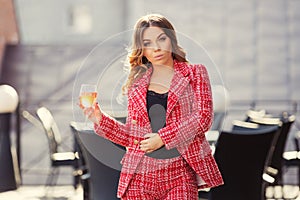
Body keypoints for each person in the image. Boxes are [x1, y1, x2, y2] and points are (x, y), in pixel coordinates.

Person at [80, 13, 223, 200]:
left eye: (161, 39)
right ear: (142, 49)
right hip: (139, 178)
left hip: (179, 174)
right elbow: (132, 136)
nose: (156, 48)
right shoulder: (137, 83)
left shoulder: (195, 74)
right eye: (147, 43)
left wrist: (162, 138)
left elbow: (203, 118)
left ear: (171, 40)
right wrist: (99, 118)